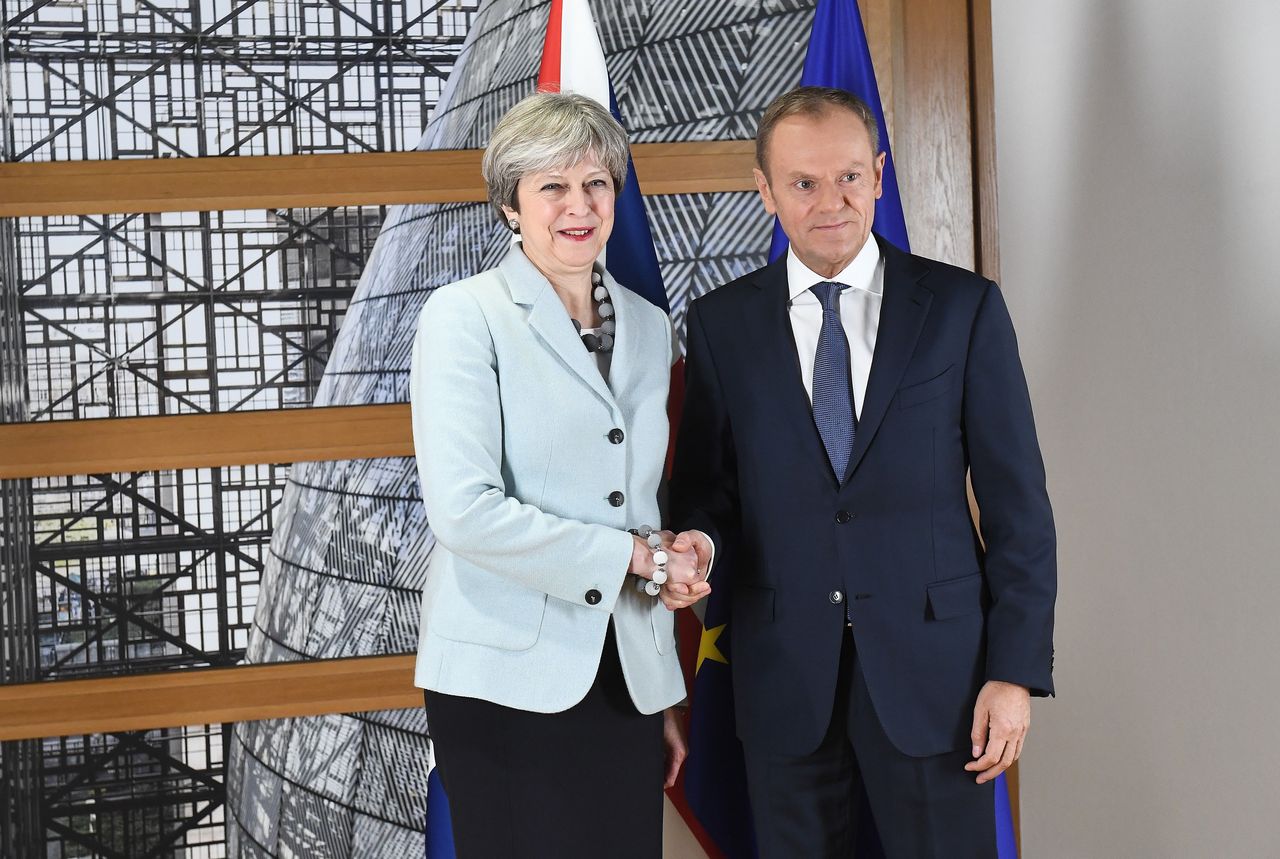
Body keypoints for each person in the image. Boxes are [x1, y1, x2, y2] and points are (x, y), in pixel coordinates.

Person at [669, 86, 1056, 857]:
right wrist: (700, 548)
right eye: (804, 183)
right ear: (766, 189)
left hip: (939, 682)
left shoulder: (960, 309)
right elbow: (706, 492)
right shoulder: (722, 323)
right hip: (783, 678)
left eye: (849, 176)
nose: (831, 201)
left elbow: (1020, 509)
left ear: (879, 174)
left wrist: (1014, 673)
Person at [409, 91, 711, 858]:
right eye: (553, 187)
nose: (579, 205)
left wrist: (661, 669)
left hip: (624, 677)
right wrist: (632, 558)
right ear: (512, 205)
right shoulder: (464, 315)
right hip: (505, 678)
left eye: (596, 184)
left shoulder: (646, 324)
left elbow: (635, 499)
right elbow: (464, 510)